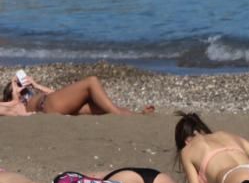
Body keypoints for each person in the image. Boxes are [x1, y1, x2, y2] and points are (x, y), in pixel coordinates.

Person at [0, 72, 154, 116]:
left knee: (101, 108)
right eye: (17, 86)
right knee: (91, 82)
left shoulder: (30, 95)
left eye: (21, 85)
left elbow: (56, 94)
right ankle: (120, 116)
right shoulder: (13, 105)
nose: (21, 87)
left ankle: (137, 115)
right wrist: (14, 85)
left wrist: (36, 85)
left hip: (53, 103)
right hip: (47, 105)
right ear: (9, 95)